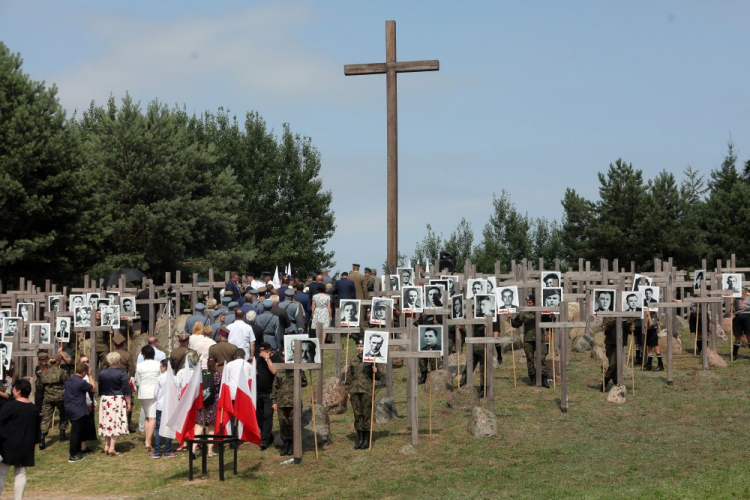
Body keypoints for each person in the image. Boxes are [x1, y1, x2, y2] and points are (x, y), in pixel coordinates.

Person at [0, 379, 41, 499]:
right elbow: (36, 430)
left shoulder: (10, 406)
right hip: (26, 444)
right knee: (21, 473)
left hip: (8, 443)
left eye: (13, 389)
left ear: (18, 391)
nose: (12, 391)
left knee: (2, 473)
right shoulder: (34, 409)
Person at [346, 339, 380, 450]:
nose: (359, 348)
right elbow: (349, 377)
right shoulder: (353, 360)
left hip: (366, 391)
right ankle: (360, 439)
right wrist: (348, 391)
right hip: (355, 391)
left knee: (366, 415)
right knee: (357, 414)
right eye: (358, 346)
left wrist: (375, 370)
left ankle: (366, 439)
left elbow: (378, 377)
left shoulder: (371, 360)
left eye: (361, 346)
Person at [512, 294, 551, 388]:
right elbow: (516, 324)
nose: (528, 304)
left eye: (530, 302)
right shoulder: (523, 313)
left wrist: (548, 331)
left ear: (534, 302)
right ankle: (532, 377)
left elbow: (548, 322)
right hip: (528, 339)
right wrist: (510, 318)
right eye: (528, 303)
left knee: (542, 358)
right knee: (530, 359)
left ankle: (544, 378)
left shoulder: (541, 311)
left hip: (540, 338)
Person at [98, 352, 131, 456]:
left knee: (106, 422)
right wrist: (129, 402)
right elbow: (126, 389)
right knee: (115, 422)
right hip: (116, 399)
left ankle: (106, 445)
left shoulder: (102, 372)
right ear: (118, 361)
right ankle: (112, 447)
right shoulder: (121, 373)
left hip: (105, 399)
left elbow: (100, 387)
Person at [63, 362, 97, 462]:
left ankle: (77, 451)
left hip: (69, 408)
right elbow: (93, 388)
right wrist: (90, 375)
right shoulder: (81, 382)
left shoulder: (68, 380)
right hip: (78, 410)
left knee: (78, 431)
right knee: (75, 433)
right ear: (84, 373)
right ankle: (72, 454)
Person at [271, 360, 306, 456]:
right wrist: (274, 401)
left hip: (294, 402)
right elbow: (275, 387)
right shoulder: (280, 371)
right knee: (283, 424)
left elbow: (304, 382)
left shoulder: (297, 370)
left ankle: (293, 444)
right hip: (282, 403)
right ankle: (286, 444)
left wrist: (301, 372)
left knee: (293, 424)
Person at [39, 354, 69, 449]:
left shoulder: (44, 372)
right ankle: (62, 433)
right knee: (63, 414)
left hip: (48, 397)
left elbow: (41, 386)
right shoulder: (62, 372)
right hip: (60, 397)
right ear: (59, 362)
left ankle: (42, 437)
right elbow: (67, 383)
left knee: (46, 417)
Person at [135, 345, 161, 452]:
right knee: (152, 417)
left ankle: (147, 438)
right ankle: (148, 441)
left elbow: (137, 380)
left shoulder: (139, 366)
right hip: (154, 391)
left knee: (147, 416)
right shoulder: (158, 364)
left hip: (143, 391)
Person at [254, 343, 278, 450]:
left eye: (263, 350)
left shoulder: (275, 358)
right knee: (258, 415)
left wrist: (267, 358)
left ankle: (264, 440)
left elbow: (274, 371)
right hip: (258, 392)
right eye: (260, 350)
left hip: (270, 392)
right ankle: (268, 435)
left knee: (268, 415)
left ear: (269, 350)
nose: (261, 353)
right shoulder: (259, 359)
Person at [151, 359, 176, 458]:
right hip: (171, 406)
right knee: (169, 428)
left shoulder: (160, 378)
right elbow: (178, 393)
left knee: (158, 428)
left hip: (161, 406)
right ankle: (168, 451)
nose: (160, 368)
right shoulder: (176, 379)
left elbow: (155, 393)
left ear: (165, 367)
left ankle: (157, 451)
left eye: (161, 366)